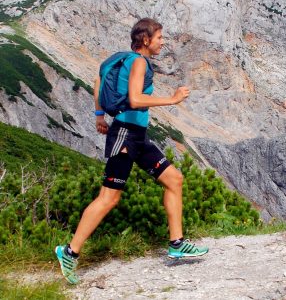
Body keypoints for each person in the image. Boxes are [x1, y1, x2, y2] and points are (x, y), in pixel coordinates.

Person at [55, 18, 208, 284]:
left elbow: (98, 79)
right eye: (159, 37)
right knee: (109, 198)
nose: (163, 42)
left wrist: (99, 115)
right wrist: (171, 99)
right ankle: (69, 251)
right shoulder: (138, 62)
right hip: (125, 135)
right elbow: (136, 99)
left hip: (137, 137)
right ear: (146, 40)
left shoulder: (125, 60)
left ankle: (177, 243)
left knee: (174, 179)